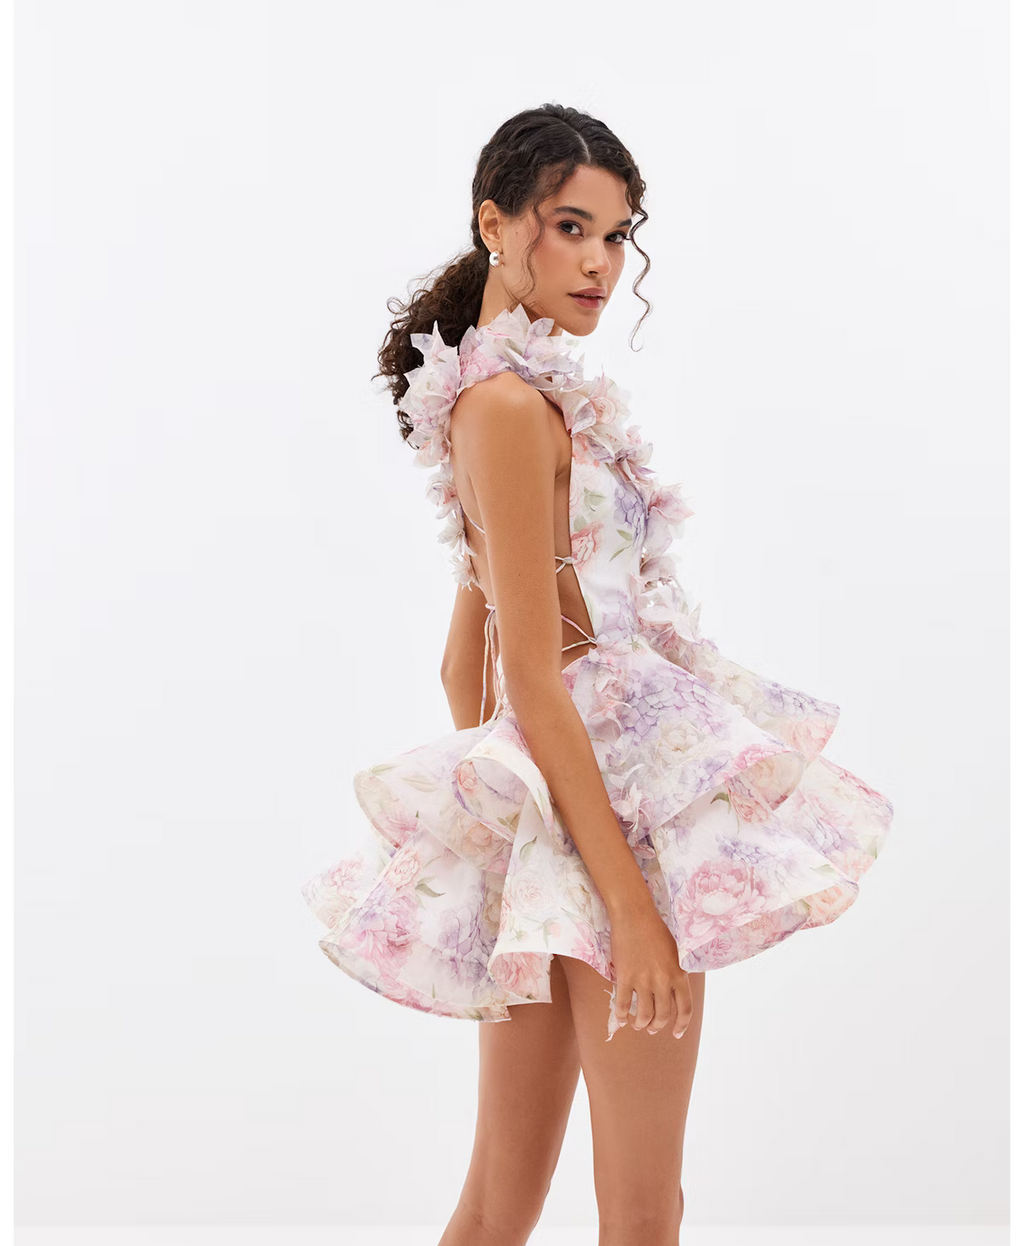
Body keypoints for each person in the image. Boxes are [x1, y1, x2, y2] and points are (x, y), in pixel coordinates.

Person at [302, 103, 893, 1246]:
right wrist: (622, 901)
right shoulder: (508, 407)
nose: (599, 263)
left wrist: (527, 841)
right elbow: (525, 674)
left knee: (498, 1207)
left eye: (617, 236)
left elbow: (462, 663)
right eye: (569, 226)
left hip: (568, 820)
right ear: (495, 223)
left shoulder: (496, 401)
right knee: (643, 1211)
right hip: (615, 827)